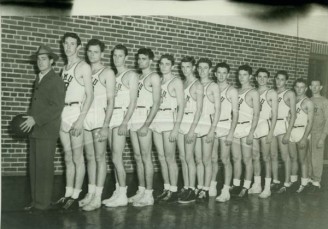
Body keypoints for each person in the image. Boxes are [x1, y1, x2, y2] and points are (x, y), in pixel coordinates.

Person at [21, 44, 65, 211]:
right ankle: (35, 201)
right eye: (38, 59)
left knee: (44, 168)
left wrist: (36, 120)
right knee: (34, 167)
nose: (40, 62)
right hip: (35, 130)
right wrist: (28, 121)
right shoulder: (39, 78)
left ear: (51, 61)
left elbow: (56, 107)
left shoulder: (56, 80)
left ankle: (43, 204)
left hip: (46, 130)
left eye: (44, 59)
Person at [57, 32, 93, 210]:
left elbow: (90, 95)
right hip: (63, 112)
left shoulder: (83, 66)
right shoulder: (64, 68)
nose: (68, 47)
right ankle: (67, 193)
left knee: (78, 158)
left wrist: (80, 120)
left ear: (78, 47)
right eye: (66, 43)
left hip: (76, 111)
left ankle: (76, 195)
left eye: (72, 44)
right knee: (68, 156)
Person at [80, 39, 116, 211]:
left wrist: (105, 125)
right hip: (86, 119)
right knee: (89, 157)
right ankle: (91, 192)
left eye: (95, 51)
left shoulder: (107, 72)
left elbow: (111, 101)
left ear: (102, 54)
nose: (91, 54)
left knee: (100, 157)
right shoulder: (85, 70)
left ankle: (98, 196)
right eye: (89, 51)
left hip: (100, 119)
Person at [102, 44, 139, 208]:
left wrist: (125, 121)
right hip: (111, 116)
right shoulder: (113, 76)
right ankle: (118, 191)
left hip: (122, 117)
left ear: (126, 57)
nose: (116, 59)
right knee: (113, 157)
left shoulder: (131, 75)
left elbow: (133, 102)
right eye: (114, 55)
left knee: (117, 157)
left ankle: (123, 194)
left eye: (120, 56)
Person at [128, 48, 161, 207]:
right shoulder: (139, 77)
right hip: (134, 116)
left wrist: (146, 124)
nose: (140, 61)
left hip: (145, 117)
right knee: (137, 156)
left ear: (151, 61)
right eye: (139, 59)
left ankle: (149, 194)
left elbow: (156, 103)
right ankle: (141, 190)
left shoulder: (153, 77)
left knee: (146, 156)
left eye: (144, 59)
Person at [152, 54, 185, 203]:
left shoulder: (176, 81)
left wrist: (176, 127)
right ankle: (166, 188)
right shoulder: (158, 80)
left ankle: (173, 190)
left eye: (167, 64)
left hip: (169, 120)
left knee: (170, 158)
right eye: (161, 64)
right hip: (157, 119)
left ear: (172, 66)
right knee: (161, 157)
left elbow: (181, 106)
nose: (163, 66)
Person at [177, 56, 204, 204]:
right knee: (182, 157)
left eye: (188, 67)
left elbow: (199, 110)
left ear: (193, 68)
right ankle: (187, 186)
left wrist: (192, 130)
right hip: (181, 121)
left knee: (189, 157)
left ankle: (192, 190)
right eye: (183, 67)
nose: (185, 70)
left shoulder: (197, 85)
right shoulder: (182, 83)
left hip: (191, 123)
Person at [230, 64, 260, 198]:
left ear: (250, 76)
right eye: (240, 74)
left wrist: (251, 132)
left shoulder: (253, 92)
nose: (242, 77)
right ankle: (236, 184)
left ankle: (246, 186)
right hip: (236, 126)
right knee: (236, 158)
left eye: (245, 75)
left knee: (247, 159)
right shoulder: (236, 91)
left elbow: (256, 115)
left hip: (247, 127)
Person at [194, 58, 221, 202]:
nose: (202, 70)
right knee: (198, 159)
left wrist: (212, 130)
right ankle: (200, 186)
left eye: (205, 68)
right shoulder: (196, 84)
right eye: (200, 67)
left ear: (210, 70)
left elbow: (218, 109)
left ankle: (206, 188)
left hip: (207, 124)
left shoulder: (213, 86)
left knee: (207, 159)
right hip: (196, 123)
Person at [211, 62, 239, 202]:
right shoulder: (211, 87)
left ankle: (226, 189)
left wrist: (231, 133)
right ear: (215, 73)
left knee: (225, 159)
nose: (221, 75)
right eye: (219, 72)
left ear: (227, 74)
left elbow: (235, 114)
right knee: (213, 158)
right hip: (212, 126)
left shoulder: (231, 91)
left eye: (224, 73)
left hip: (225, 126)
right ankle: (213, 185)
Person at [249, 68, 278, 198]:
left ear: (268, 78)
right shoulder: (253, 92)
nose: (261, 79)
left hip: (265, 125)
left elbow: (275, 114)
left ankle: (267, 187)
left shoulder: (271, 93)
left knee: (266, 158)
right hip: (254, 124)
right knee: (255, 156)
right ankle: (257, 185)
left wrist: (271, 132)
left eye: (264, 76)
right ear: (256, 78)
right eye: (259, 76)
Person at [270, 71, 296, 194]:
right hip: (272, 124)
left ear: (286, 81)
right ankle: (275, 180)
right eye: (277, 79)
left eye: (282, 79)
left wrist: (288, 132)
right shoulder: (272, 92)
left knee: (285, 156)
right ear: (275, 79)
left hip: (282, 125)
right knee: (273, 155)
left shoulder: (289, 93)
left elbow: (294, 114)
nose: (279, 81)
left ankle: (287, 182)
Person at [289, 78, 314, 193]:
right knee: (293, 158)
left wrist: (305, 137)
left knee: (302, 160)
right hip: (291, 131)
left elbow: (310, 122)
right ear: (294, 87)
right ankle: (293, 181)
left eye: (302, 87)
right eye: (297, 87)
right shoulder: (292, 100)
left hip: (302, 131)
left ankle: (304, 183)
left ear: (306, 88)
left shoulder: (308, 102)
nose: (299, 89)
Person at [308, 79, 328, 192]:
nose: (315, 87)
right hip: (308, 134)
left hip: (318, 133)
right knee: (308, 158)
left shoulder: (324, 101)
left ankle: (316, 182)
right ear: (310, 87)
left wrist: (322, 137)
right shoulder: (308, 100)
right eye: (312, 85)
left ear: (321, 87)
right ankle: (310, 180)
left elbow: (327, 120)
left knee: (316, 159)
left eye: (317, 85)